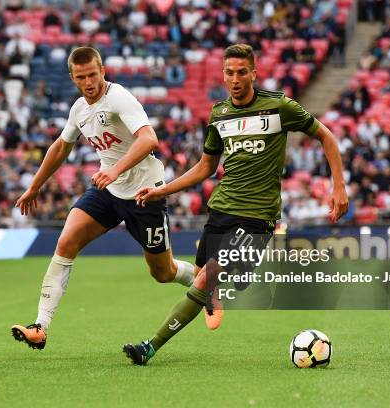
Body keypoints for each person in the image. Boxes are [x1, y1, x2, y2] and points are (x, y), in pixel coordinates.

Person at [123, 44, 349, 365]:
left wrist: (338, 186)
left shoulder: (279, 106)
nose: (235, 78)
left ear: (254, 74)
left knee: (205, 277)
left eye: (242, 72)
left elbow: (326, 136)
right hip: (222, 207)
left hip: (258, 216)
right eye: (229, 72)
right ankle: (220, 285)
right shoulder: (219, 114)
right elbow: (205, 167)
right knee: (203, 274)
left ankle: (149, 346)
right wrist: (163, 190)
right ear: (223, 76)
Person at [11, 47, 195, 350]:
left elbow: (149, 138)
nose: (89, 82)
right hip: (107, 190)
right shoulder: (79, 109)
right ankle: (40, 326)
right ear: (73, 78)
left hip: (144, 193)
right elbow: (60, 147)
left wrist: (115, 170)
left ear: (103, 71)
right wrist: (35, 186)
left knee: (163, 272)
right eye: (81, 77)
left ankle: (201, 282)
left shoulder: (119, 97)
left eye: (93, 75)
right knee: (66, 243)